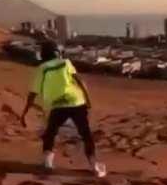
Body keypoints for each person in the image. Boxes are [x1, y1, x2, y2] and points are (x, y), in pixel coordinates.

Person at [20, 40, 106, 177]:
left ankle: (47, 163)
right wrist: (89, 102)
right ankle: (94, 166)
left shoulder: (42, 68)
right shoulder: (66, 62)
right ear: (56, 53)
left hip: (57, 105)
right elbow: (80, 81)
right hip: (76, 102)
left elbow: (33, 93)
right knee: (86, 135)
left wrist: (24, 112)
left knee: (50, 133)